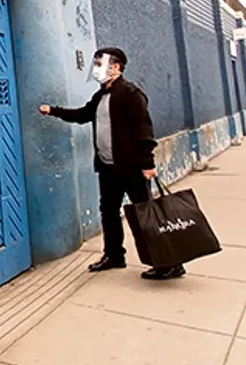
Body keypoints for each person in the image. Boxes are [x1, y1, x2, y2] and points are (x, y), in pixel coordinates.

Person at [39, 47, 185, 281]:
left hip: (133, 168)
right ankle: (114, 255)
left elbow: (144, 131)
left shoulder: (130, 93)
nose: (96, 69)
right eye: (95, 64)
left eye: (100, 64)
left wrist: (147, 163)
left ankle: (169, 262)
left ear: (115, 67)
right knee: (108, 212)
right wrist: (54, 111)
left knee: (143, 215)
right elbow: (82, 114)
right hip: (108, 167)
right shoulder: (101, 96)